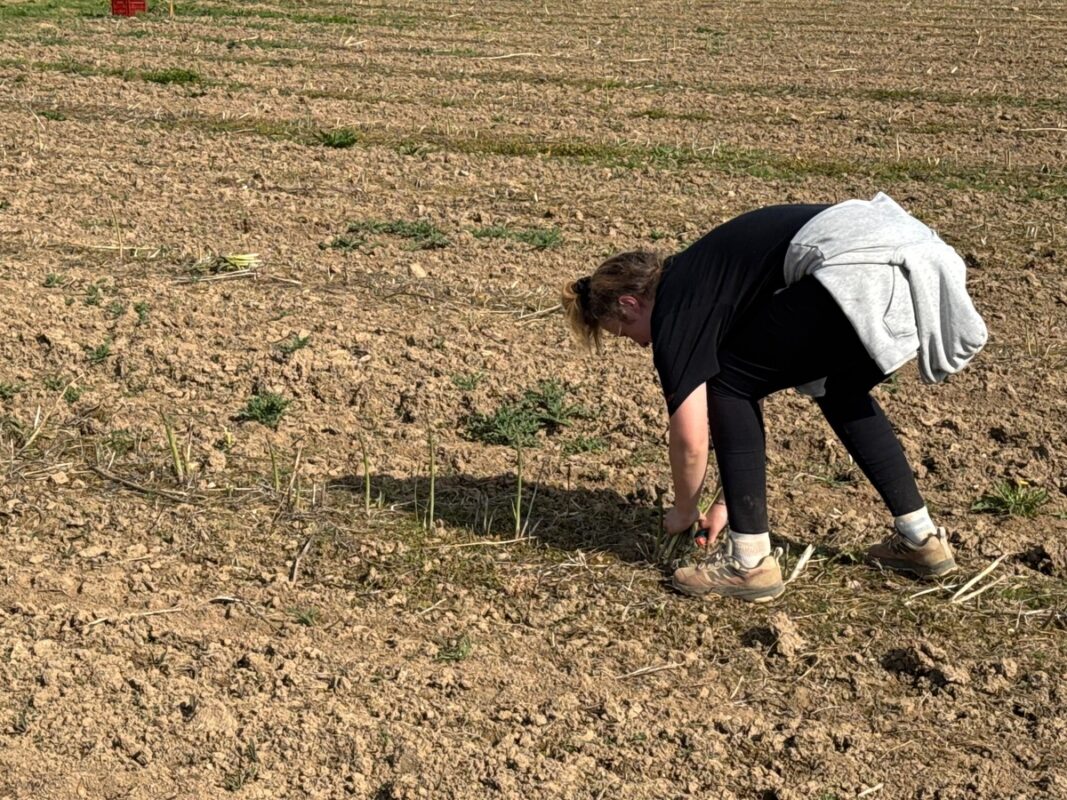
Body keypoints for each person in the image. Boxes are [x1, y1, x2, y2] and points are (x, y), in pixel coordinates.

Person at [561, 193, 988, 603]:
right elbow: (751, 392)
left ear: (630, 303)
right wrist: (728, 502)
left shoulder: (676, 307)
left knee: (726, 381)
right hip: (917, 265)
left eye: (625, 334)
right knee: (837, 389)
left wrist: (684, 510)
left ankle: (749, 562)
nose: (638, 345)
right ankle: (921, 538)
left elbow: (691, 437)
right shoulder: (710, 278)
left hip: (862, 267)